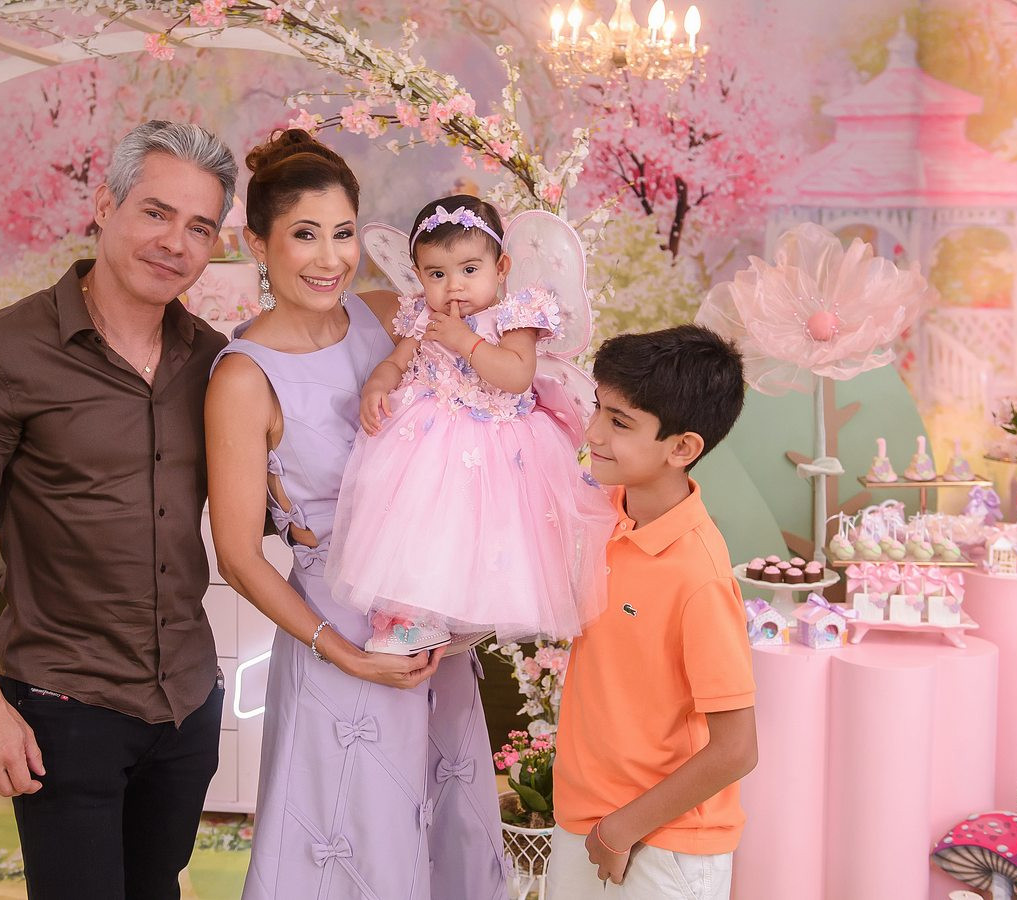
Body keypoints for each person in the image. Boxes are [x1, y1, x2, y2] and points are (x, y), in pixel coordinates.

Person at [0, 120, 238, 899]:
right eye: (156, 212)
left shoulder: (215, 361)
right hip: (64, 706)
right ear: (105, 206)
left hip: (188, 703)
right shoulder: (5, 351)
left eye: (199, 226)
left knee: (158, 890)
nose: (175, 242)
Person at [205, 131, 506, 900]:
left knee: (445, 837)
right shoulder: (243, 378)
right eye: (305, 235)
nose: (330, 258)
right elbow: (238, 556)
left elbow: (480, 396)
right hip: (339, 636)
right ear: (258, 243)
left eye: (343, 233)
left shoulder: (386, 318)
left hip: (430, 626)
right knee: (350, 847)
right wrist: (342, 651)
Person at [324, 194, 613, 654]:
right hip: (427, 437)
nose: (454, 286)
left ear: (501, 268)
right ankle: (416, 617)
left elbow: (516, 375)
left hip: (498, 443)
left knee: (486, 532)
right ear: (419, 275)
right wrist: (377, 385)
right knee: (421, 523)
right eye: (437, 274)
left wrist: (465, 341)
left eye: (469, 269)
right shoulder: (424, 315)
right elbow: (397, 360)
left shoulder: (514, 317)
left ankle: (465, 614)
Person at [547, 324, 758, 899]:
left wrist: (622, 829)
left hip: (664, 844)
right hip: (583, 822)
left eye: (620, 422)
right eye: (598, 407)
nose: (593, 431)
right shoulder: (601, 514)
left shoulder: (699, 574)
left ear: (682, 448)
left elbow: (737, 749)